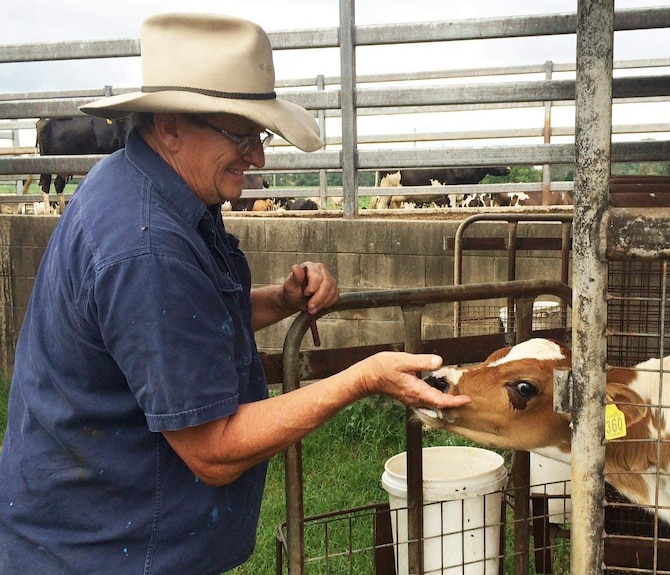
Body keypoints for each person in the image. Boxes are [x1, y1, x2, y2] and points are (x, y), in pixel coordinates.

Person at [0, 13, 470, 575]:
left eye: (259, 135)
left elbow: (181, 326)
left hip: (97, 533)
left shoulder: (147, 187)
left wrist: (280, 300)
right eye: (239, 135)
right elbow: (214, 450)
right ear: (171, 124)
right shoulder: (146, 244)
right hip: (102, 554)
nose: (259, 157)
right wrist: (362, 378)